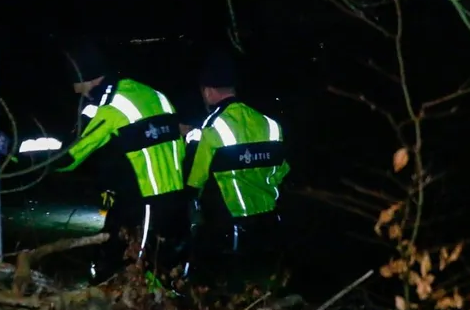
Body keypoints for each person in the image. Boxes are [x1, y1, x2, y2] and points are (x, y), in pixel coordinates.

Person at [52, 41, 188, 281]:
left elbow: (68, 157)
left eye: (78, 88)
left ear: (86, 78)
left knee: (130, 272)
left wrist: (13, 152)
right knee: (166, 270)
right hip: (175, 199)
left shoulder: (110, 107)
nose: (79, 95)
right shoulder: (153, 95)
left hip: (143, 205)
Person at [182, 49, 291, 284]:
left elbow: (196, 181)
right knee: (265, 281)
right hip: (270, 219)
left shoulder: (212, 127)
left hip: (232, 225)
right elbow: (282, 171)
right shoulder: (269, 124)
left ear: (208, 91)